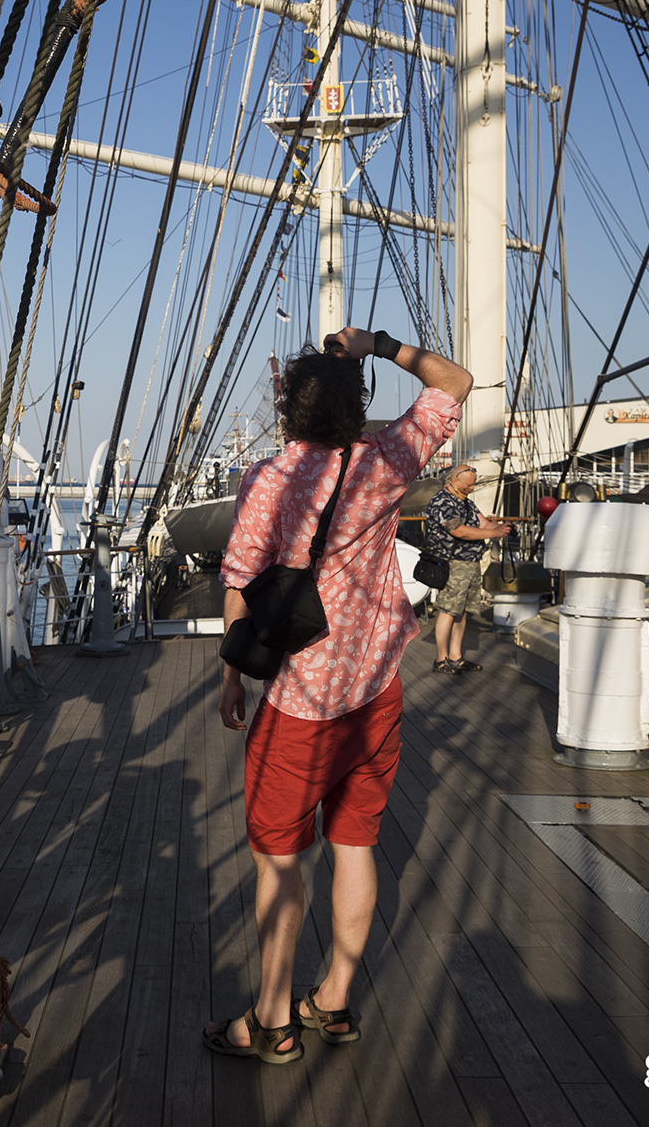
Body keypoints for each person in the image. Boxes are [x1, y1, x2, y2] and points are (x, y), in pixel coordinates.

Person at [204, 326, 471, 1064]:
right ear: (358, 406)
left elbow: (238, 582)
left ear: (287, 404)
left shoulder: (269, 479)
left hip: (298, 703)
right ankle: (335, 998)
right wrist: (377, 343)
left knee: (280, 862)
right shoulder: (384, 461)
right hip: (377, 692)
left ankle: (270, 1019)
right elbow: (455, 381)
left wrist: (232, 673)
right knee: (356, 846)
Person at [422, 463, 513, 673]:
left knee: (461, 612)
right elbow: (459, 531)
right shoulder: (441, 502)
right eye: (467, 486)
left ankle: (456, 656)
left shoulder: (466, 503)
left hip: (470, 564)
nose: (470, 489)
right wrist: (494, 534)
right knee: (447, 611)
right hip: (452, 564)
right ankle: (441, 659)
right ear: (454, 481)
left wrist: (502, 528)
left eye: (472, 486)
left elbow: (482, 524)